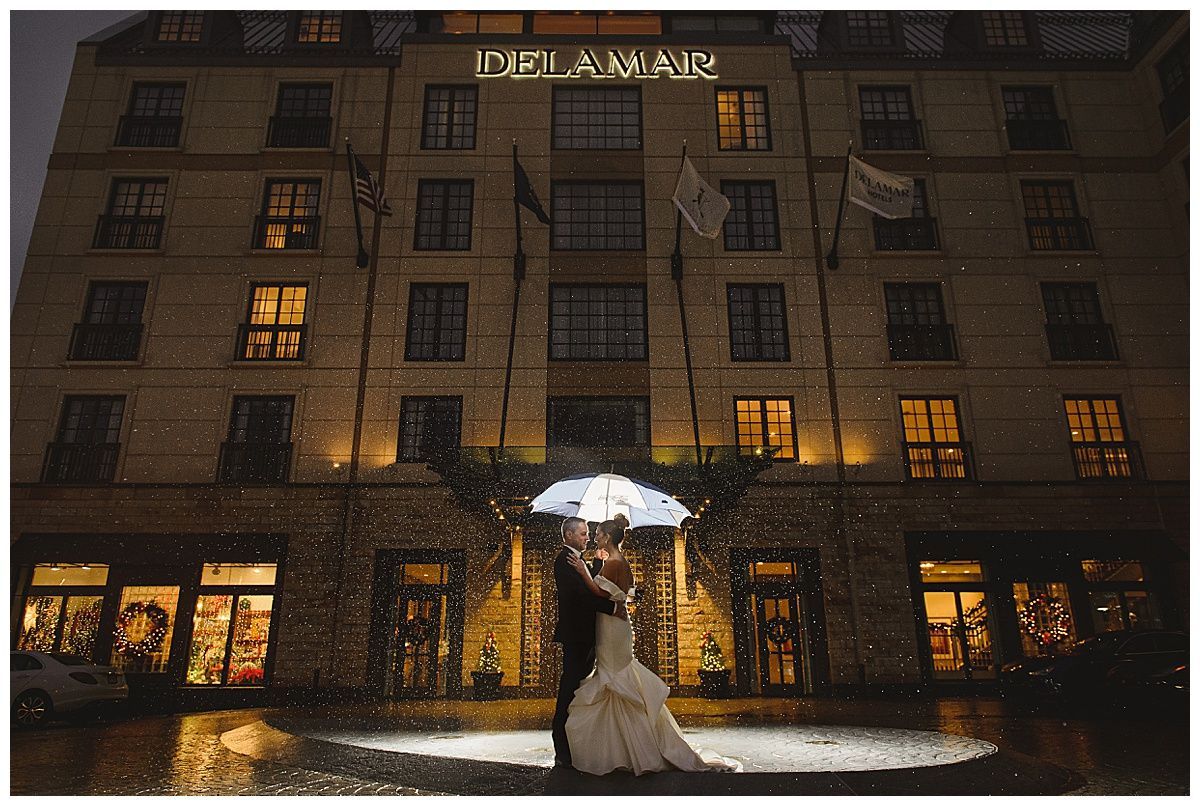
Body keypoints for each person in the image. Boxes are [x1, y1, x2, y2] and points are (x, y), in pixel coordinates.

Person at [564, 513, 742, 775]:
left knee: (615, 677)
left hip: (612, 627)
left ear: (608, 537)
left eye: (598, 534)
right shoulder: (617, 561)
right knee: (614, 676)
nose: (595, 538)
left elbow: (599, 592)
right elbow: (628, 591)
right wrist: (599, 568)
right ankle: (622, 744)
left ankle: (634, 746)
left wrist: (584, 572)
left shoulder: (614, 562)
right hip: (614, 624)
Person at [551, 515, 627, 769]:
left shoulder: (577, 559)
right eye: (583, 533)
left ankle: (576, 744)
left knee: (577, 687)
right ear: (569, 535)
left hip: (586, 634)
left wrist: (595, 563)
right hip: (576, 635)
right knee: (569, 689)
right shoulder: (565, 559)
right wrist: (611, 608)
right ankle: (562, 748)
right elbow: (580, 596)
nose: (587, 537)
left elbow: (590, 584)